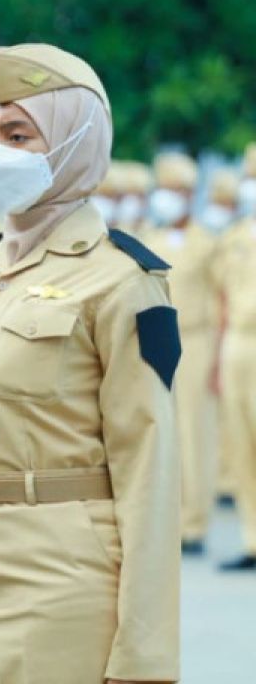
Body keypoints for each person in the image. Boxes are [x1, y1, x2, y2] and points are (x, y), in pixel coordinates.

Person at [0, 43, 181, 684]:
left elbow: (150, 467)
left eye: (18, 134)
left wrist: (144, 658)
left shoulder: (120, 279)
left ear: (74, 143)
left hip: (60, 577)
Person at [141, 152, 218, 555]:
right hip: (157, 341)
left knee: (194, 433)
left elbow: (220, 298)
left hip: (197, 340)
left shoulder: (207, 242)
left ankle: (195, 523)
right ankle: (169, 520)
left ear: (189, 194)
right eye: (164, 189)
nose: (166, 198)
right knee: (162, 434)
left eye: (174, 190)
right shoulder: (150, 239)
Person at [215, 142, 256, 571]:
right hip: (237, 346)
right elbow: (222, 299)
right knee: (241, 444)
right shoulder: (235, 237)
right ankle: (251, 539)